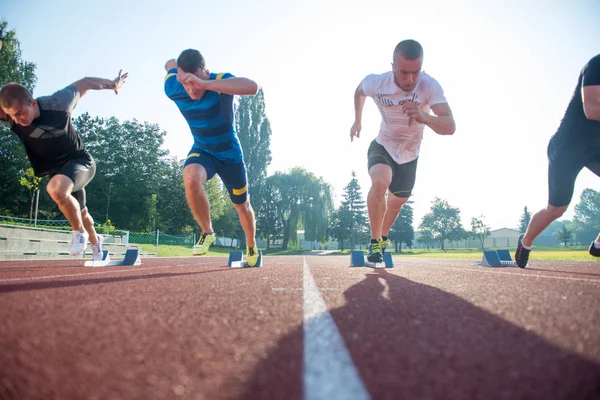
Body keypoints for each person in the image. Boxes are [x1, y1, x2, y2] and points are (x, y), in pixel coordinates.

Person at [0, 70, 128, 260]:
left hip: (80, 162)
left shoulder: (58, 103)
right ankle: (96, 244)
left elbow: (85, 83)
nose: (19, 120)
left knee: (56, 189)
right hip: (58, 170)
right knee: (82, 212)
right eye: (13, 116)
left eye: (21, 113)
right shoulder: (11, 116)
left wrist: (113, 84)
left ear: (33, 103)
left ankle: (78, 233)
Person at [350, 39, 456, 263]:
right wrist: (357, 120)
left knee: (397, 203)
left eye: (415, 73)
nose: (409, 80)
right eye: (404, 72)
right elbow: (359, 91)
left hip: (409, 155)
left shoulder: (429, 86)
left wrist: (423, 116)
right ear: (392, 67)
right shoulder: (377, 83)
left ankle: (383, 237)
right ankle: (374, 240)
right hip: (383, 145)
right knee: (380, 182)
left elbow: (450, 126)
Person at [164, 49, 260, 266]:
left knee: (242, 206)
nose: (190, 89)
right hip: (204, 149)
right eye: (186, 83)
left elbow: (251, 87)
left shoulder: (219, 81)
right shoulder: (173, 86)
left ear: (205, 72)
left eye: (194, 82)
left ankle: (252, 244)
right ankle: (207, 232)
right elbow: (169, 63)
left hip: (230, 155)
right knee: (190, 177)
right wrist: (177, 71)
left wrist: (204, 84)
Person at [515, 54, 600, 267]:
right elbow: (591, 109)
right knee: (556, 209)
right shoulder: (597, 64)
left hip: (596, 147)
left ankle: (598, 245)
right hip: (568, 146)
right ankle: (525, 241)